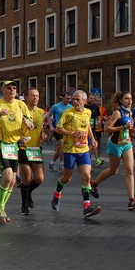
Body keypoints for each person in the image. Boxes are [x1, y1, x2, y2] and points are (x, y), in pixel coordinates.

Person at [0, 81, 33, 223]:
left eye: (15, 88)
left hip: (14, 144)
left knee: (13, 180)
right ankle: (0, 208)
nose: (12, 90)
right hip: (0, 143)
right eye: (9, 88)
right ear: (3, 90)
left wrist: (29, 125)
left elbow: (29, 121)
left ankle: (0, 209)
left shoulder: (21, 105)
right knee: (8, 176)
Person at [50, 90, 101, 218]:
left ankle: (87, 206)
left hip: (83, 149)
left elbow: (87, 126)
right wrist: (72, 134)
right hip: (70, 150)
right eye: (74, 99)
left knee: (86, 176)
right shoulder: (68, 113)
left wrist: (93, 139)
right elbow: (58, 128)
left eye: (78, 99)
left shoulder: (88, 112)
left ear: (84, 101)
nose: (75, 102)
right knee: (67, 178)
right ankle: (57, 194)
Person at [90, 92, 135, 210]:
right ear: (121, 100)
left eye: (130, 98)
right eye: (126, 99)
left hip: (127, 144)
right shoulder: (117, 113)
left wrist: (132, 131)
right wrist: (123, 127)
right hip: (115, 144)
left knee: (129, 171)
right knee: (113, 170)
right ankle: (94, 183)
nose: (129, 101)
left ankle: (131, 200)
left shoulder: (130, 112)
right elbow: (106, 128)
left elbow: (129, 128)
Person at [18, 88, 46, 215]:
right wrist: (19, 138)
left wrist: (44, 134)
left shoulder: (41, 112)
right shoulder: (21, 112)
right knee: (27, 179)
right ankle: (24, 205)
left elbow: (40, 128)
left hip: (35, 149)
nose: (35, 98)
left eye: (37, 96)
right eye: (32, 96)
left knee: (39, 178)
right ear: (27, 97)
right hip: (24, 148)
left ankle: (28, 192)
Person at [47, 92, 72, 172]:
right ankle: (62, 164)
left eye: (69, 99)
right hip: (57, 129)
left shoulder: (71, 107)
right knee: (62, 144)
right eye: (67, 98)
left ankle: (52, 163)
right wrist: (51, 126)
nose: (68, 100)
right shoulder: (56, 106)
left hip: (67, 130)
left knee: (60, 149)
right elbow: (48, 116)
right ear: (63, 98)